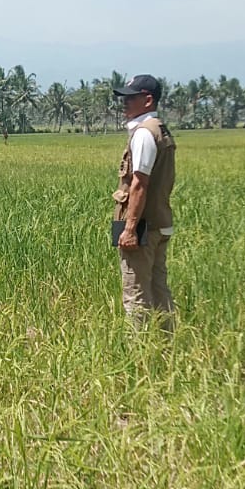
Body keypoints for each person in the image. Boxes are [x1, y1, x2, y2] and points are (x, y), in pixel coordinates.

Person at [110, 74, 177, 330]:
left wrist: (129, 229)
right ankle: (165, 347)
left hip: (141, 227)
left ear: (148, 100)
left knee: (135, 294)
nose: (124, 103)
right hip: (160, 221)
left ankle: (140, 355)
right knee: (159, 291)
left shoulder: (143, 134)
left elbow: (139, 184)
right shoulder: (160, 130)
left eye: (131, 98)